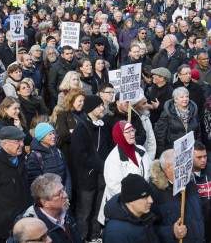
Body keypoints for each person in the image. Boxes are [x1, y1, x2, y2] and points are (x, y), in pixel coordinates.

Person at [71, 95, 113, 242]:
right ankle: (81, 238)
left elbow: (109, 147)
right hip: (86, 178)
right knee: (85, 212)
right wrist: (101, 165)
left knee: (98, 209)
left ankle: (94, 236)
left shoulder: (104, 126)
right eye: (100, 105)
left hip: (102, 177)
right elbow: (80, 155)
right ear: (91, 109)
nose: (103, 108)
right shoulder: (81, 128)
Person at [98, 121, 151, 225]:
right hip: (124, 210)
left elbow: (149, 174)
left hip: (143, 205)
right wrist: (136, 200)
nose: (132, 134)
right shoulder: (113, 159)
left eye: (132, 130)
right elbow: (115, 188)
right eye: (127, 132)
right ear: (119, 135)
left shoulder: (141, 150)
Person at [149, 149, 205, 242]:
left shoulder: (189, 182)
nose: (186, 165)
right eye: (180, 162)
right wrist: (171, 232)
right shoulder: (154, 191)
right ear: (169, 167)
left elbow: (199, 214)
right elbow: (149, 229)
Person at [20, 173, 81, 242]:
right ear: (45, 202)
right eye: (59, 193)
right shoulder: (30, 227)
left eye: (63, 189)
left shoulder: (64, 209)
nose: (65, 195)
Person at [103, 174, 159, 242]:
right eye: (145, 197)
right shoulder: (116, 233)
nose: (151, 201)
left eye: (150, 196)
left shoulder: (143, 215)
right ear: (131, 201)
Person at [26, 123, 71, 196]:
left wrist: (67, 193)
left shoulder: (58, 151)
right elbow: (35, 184)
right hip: (49, 200)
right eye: (50, 134)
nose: (54, 136)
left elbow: (66, 172)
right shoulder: (35, 156)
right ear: (42, 138)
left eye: (53, 133)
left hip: (63, 195)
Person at [154, 87, 201, 158]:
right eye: (181, 97)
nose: (185, 99)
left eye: (187, 96)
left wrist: (198, 149)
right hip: (173, 151)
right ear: (175, 99)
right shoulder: (168, 113)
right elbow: (160, 135)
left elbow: (198, 134)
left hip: (190, 149)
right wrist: (160, 155)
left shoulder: (193, 111)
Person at [56, 89, 86, 176]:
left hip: (84, 154)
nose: (82, 103)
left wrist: (73, 131)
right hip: (70, 154)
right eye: (80, 101)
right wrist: (80, 133)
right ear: (72, 101)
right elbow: (64, 135)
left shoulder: (85, 114)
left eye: (83, 101)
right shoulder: (63, 115)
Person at [192, 141, 211, 242]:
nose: (203, 160)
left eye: (205, 156)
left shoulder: (209, 169)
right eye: (199, 157)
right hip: (196, 222)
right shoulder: (186, 177)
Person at [132, 89, 157, 160]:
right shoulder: (131, 119)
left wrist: (149, 159)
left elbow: (151, 139)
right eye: (144, 103)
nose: (147, 105)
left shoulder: (146, 117)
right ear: (135, 106)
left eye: (146, 102)